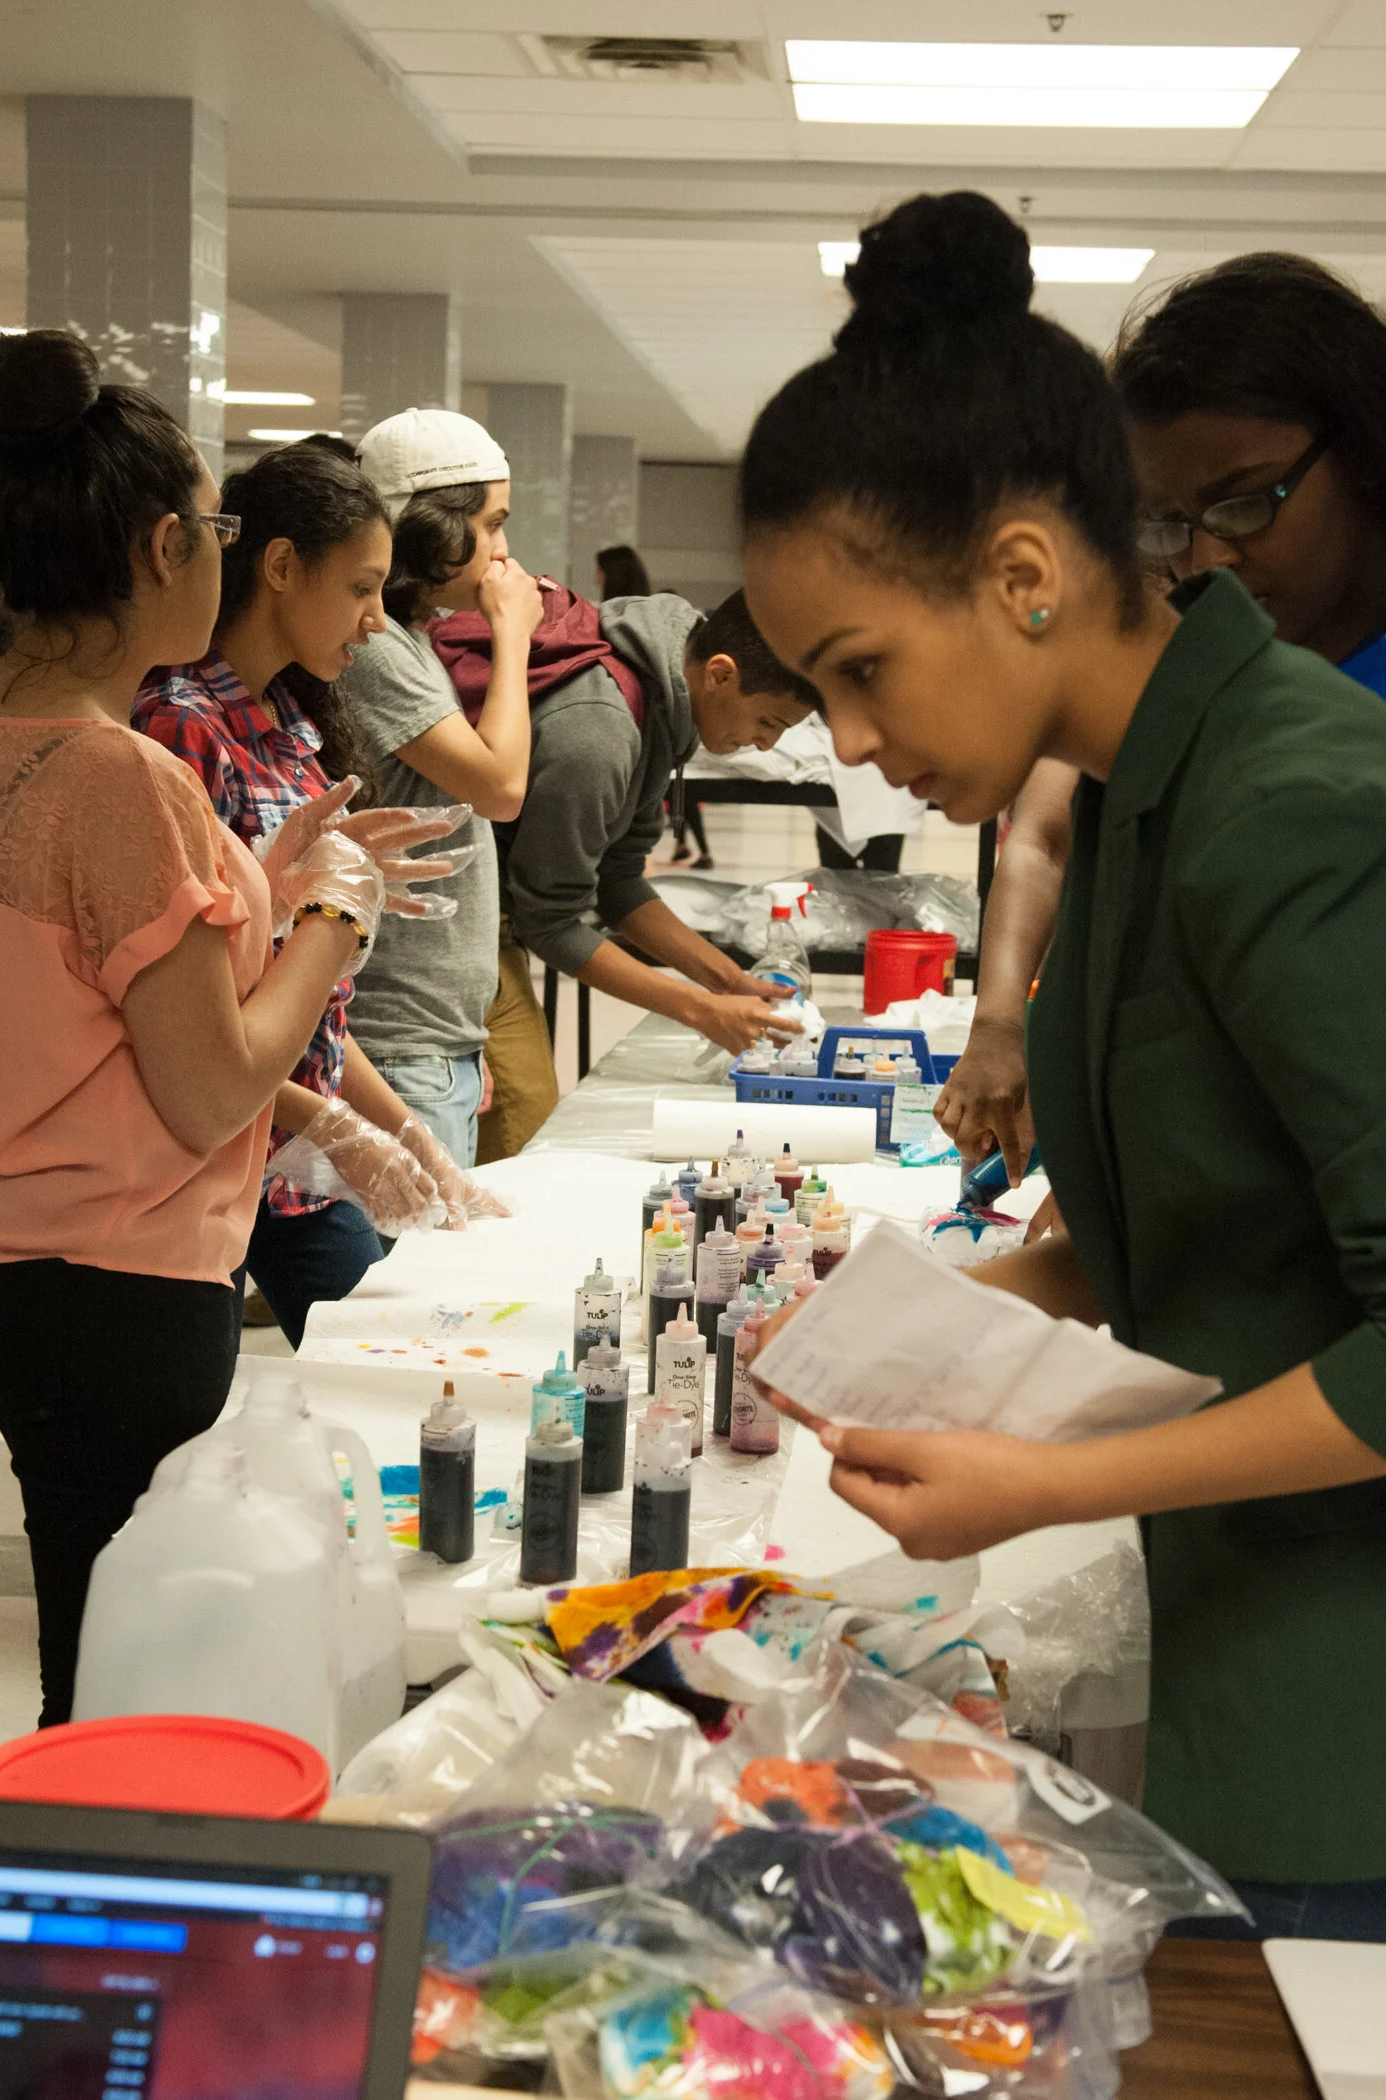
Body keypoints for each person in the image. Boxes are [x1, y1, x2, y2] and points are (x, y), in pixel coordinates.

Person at [741, 191, 1386, 1934]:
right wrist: (974, 1306)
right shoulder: (1133, 797)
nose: (856, 743)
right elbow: (1221, 1212)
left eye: (861, 672)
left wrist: (1046, 1483)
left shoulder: (1297, 803)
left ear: (1020, 575)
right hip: (1243, 1639)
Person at [0, 331, 449, 1720]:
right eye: (211, 526)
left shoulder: (27, 748)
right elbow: (210, 1085)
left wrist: (275, 875)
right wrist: (336, 920)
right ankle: (84, 1916)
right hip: (116, 1283)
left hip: (22, 1260)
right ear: (152, 551)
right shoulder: (120, 777)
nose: (223, 551)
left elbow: (77, 995)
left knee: (92, 1624)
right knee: (125, 1666)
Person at [937, 251, 1386, 1180]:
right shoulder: (1204, 670)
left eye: (1246, 503)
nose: (1208, 558)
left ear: (1365, 456)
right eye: (1168, 522)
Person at [136, 442, 499, 1351]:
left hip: (286, 1159)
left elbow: (312, 1009)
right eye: (361, 589)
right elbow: (195, 1014)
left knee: (401, 1355)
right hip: (206, 1152)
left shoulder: (293, 727)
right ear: (282, 567)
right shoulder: (181, 724)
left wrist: (407, 1133)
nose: (376, 622)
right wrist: (339, 1126)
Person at [434, 584, 820, 1159]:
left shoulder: (671, 698)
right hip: (445, 915)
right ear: (719, 673)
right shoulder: (598, 731)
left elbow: (618, 880)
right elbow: (552, 921)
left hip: (499, 906)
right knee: (523, 1128)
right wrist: (697, 1008)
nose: (766, 744)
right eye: (768, 721)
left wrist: (726, 979)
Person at [342, 407, 545, 1168]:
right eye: (492, 525)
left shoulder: (411, 636)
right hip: (395, 1040)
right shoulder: (374, 648)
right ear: (433, 528)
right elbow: (499, 787)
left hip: (434, 1036)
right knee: (403, 1279)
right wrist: (512, 634)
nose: (502, 550)